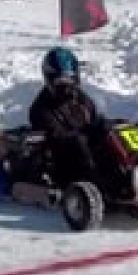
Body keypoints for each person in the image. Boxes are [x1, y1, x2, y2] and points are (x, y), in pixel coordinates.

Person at [29, 47, 102, 187]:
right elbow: (57, 137)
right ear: (50, 80)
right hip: (63, 164)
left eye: (69, 80)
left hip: (88, 153)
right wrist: (85, 134)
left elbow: (93, 120)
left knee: (126, 130)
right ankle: (100, 187)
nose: (66, 86)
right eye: (60, 81)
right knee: (79, 141)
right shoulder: (40, 109)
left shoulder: (81, 99)